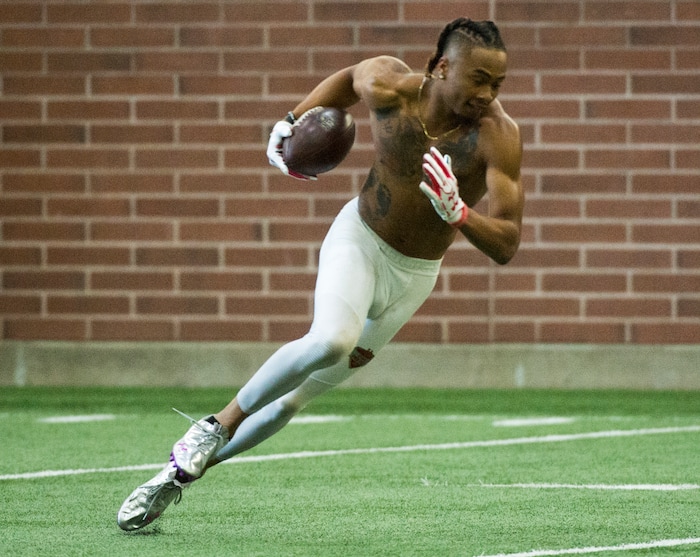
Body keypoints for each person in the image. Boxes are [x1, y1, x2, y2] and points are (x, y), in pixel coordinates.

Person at [117, 17, 523, 531]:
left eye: (498, 83)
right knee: (332, 338)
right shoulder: (390, 84)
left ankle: (173, 477)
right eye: (479, 78)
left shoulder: (498, 136)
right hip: (360, 241)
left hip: (415, 277)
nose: (488, 94)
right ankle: (214, 426)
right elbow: (350, 78)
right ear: (442, 67)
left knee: (293, 399)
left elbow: (508, 243)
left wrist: (461, 214)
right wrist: (292, 120)